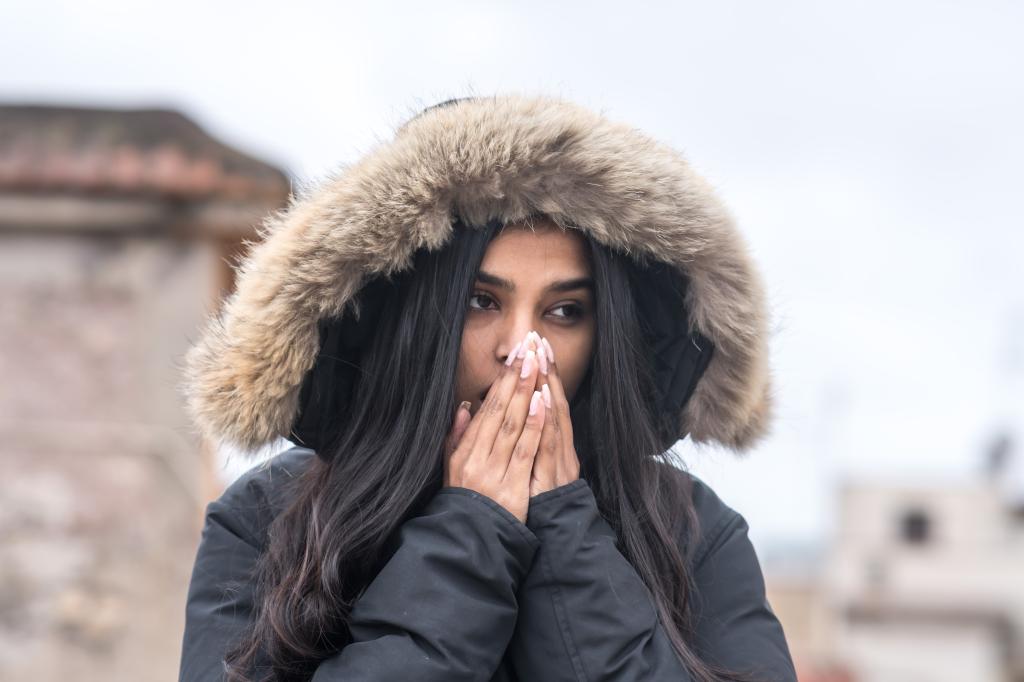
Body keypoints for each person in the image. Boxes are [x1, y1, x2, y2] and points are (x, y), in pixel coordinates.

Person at [178, 95, 796, 682]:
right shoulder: (267, 518)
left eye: (564, 311)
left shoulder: (693, 530)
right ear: (417, 318)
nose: (520, 347)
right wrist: (469, 537)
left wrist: (567, 533)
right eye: (482, 301)